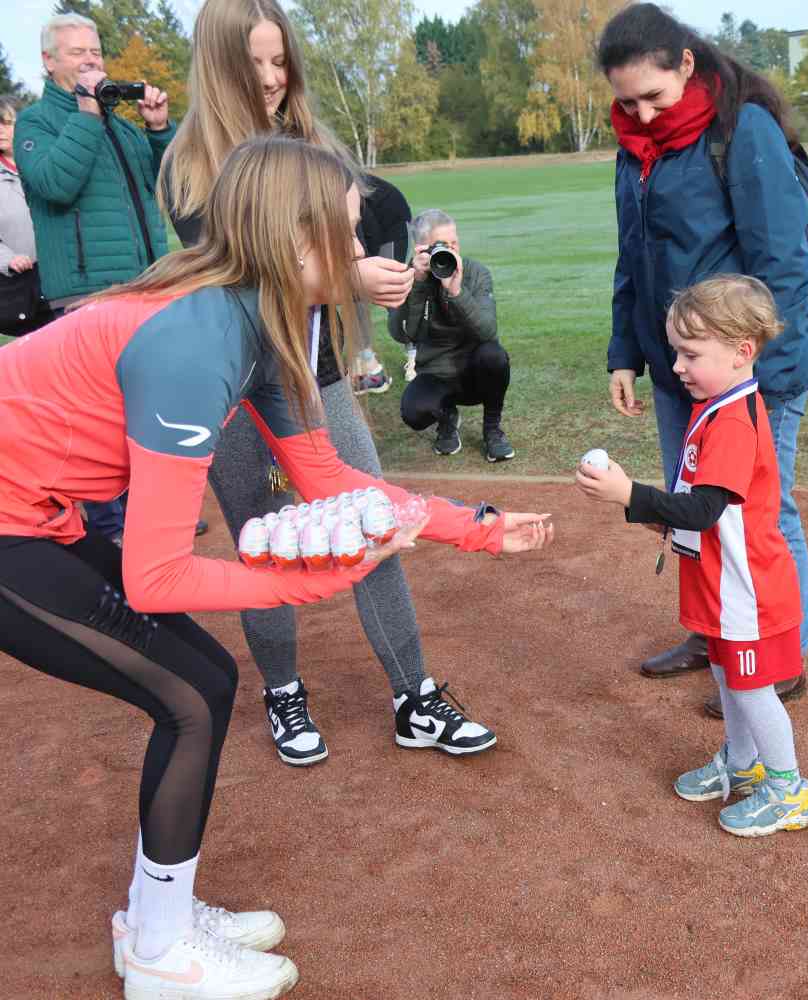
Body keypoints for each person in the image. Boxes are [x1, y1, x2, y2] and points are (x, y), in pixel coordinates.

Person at [0, 135, 552, 1000]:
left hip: (36, 512)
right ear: (296, 240)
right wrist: (320, 580)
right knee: (191, 695)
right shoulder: (198, 340)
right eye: (347, 230)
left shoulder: (260, 316)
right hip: (9, 523)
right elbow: (156, 576)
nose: (362, 250)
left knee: (205, 683)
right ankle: (159, 954)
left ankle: (156, 919)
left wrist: (472, 527)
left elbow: (328, 476)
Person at [160, 0, 492, 768]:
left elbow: (369, 221)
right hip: (234, 390)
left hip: (319, 377)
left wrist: (381, 263)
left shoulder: (314, 142)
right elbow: (245, 272)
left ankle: (414, 695)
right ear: (219, 64)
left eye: (281, 60)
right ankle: (283, 690)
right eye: (254, 62)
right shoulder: (189, 164)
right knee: (262, 539)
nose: (272, 78)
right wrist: (347, 275)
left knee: (374, 520)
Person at [599, 3, 808, 718]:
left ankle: (780, 660)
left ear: (686, 65)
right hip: (681, 369)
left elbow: (782, 263)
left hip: (752, 372)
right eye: (626, 101)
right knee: (694, 509)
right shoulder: (635, 148)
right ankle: (713, 634)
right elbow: (632, 257)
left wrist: (755, 379)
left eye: (653, 96)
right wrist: (625, 352)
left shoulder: (741, 130)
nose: (641, 113)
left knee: (762, 514)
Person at [576, 275, 808, 837]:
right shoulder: (715, 406)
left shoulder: (732, 420)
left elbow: (706, 510)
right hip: (720, 581)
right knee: (725, 674)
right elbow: (703, 503)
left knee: (751, 688)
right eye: (676, 352)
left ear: (742, 351)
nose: (678, 366)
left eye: (691, 354)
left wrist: (629, 494)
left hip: (747, 589)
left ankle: (790, 791)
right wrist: (655, 515)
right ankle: (742, 763)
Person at [16, 13, 176, 541]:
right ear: (49, 62)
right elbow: (55, 184)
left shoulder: (120, 125)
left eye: (95, 52)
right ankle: (110, 532)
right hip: (87, 294)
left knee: (148, 408)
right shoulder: (36, 124)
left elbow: (164, 185)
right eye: (77, 52)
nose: (90, 61)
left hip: (145, 286)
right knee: (98, 418)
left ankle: (150, 518)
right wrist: (87, 113)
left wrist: (158, 130)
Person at [390, 208, 516, 461]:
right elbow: (403, 334)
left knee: (494, 356)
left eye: (454, 243)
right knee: (413, 413)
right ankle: (447, 418)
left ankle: (492, 429)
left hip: (474, 372)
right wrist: (417, 283)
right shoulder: (408, 276)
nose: (451, 251)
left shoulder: (475, 272)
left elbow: (488, 331)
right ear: (421, 248)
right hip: (435, 373)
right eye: (442, 245)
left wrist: (457, 292)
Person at [0, 98, 49, 336]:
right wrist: (8, 258)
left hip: (57, 277)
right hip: (16, 286)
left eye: (7, 123)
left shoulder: (45, 165)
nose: (0, 130)